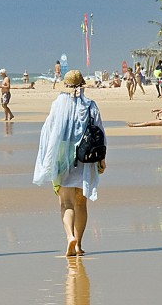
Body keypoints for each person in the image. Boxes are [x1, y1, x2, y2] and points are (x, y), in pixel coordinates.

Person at [33, 70, 107, 257]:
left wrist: (46, 159)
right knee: (81, 203)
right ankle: (79, 244)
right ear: (82, 85)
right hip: (86, 157)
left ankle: (69, 238)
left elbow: (48, 132)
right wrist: (102, 159)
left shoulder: (58, 105)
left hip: (62, 156)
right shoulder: (90, 106)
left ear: (65, 86)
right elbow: (99, 132)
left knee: (66, 203)